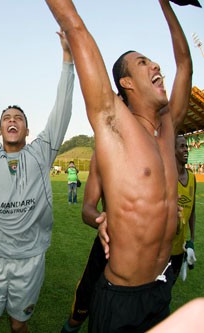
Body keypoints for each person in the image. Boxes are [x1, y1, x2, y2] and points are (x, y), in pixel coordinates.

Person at [46, 0, 193, 331]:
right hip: (120, 298)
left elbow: (184, 64)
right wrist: (100, 218)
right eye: (143, 63)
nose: (155, 64)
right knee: (82, 302)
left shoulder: (169, 127)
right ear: (126, 83)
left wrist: (164, 3)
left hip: (160, 289)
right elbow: (75, 23)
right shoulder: (113, 124)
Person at [0, 30, 74, 332]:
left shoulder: (41, 152)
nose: (12, 120)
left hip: (29, 259)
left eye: (18, 118)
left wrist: (67, 59)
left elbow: (61, 112)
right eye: (6, 118)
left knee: (18, 325)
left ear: (27, 129)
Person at [61, 153, 107, 333]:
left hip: (142, 263)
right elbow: (87, 210)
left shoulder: (157, 155)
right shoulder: (104, 156)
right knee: (78, 315)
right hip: (105, 248)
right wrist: (103, 221)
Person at [171, 135, 197, 279]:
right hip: (164, 247)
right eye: (182, 146)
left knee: (171, 282)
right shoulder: (167, 177)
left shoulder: (192, 178)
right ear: (173, 150)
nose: (186, 149)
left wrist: (191, 241)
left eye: (186, 146)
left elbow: (192, 211)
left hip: (180, 247)